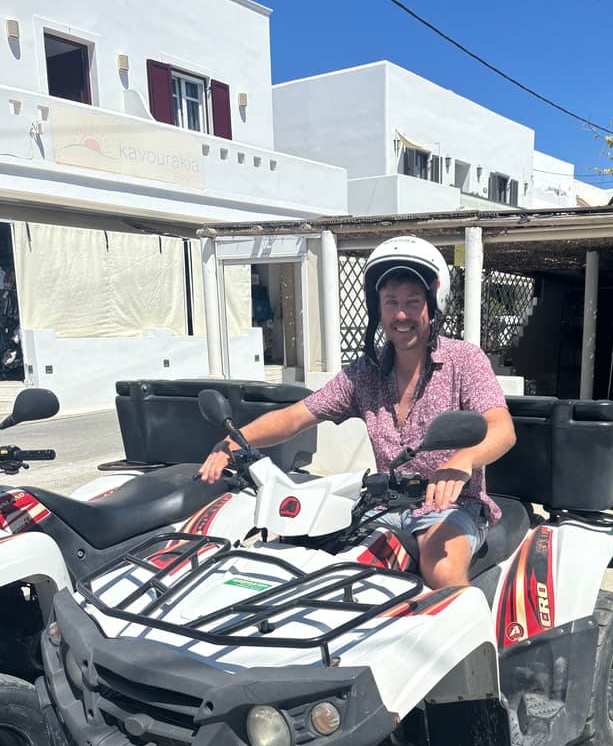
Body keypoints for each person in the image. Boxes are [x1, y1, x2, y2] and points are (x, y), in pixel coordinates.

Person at [200, 236, 516, 589]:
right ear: (377, 309)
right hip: (385, 508)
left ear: (432, 304)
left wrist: (463, 460)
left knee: (440, 570)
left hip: (454, 508)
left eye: (413, 302)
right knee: (333, 573)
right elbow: (296, 416)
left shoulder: (464, 361)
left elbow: (501, 427)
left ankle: (472, 642)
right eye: (391, 302)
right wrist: (233, 441)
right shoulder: (363, 373)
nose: (401, 314)